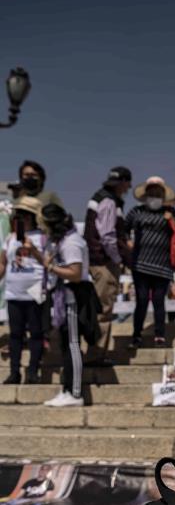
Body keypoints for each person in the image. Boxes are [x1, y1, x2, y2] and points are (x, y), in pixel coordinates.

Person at [34, 204, 94, 407]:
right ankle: (67, 389)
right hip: (61, 298)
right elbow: (50, 264)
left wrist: (52, 267)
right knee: (65, 344)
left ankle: (75, 393)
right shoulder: (58, 242)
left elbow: (75, 273)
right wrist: (36, 253)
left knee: (73, 344)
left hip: (73, 297)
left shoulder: (71, 243)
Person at [125, 176, 175, 349]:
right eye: (151, 193)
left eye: (157, 193)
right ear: (145, 194)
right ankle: (136, 335)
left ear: (163, 194)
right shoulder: (136, 212)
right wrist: (127, 243)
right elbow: (122, 228)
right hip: (140, 265)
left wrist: (172, 222)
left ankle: (160, 335)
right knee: (142, 300)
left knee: (159, 301)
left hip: (163, 266)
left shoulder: (172, 213)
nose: (154, 196)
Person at [84, 167, 133, 357]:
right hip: (103, 263)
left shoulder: (101, 198)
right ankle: (96, 354)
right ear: (124, 183)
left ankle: (96, 352)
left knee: (100, 309)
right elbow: (108, 237)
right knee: (103, 309)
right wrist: (118, 258)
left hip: (97, 260)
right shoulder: (109, 201)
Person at [0, 197, 45, 384]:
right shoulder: (10, 238)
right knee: (16, 334)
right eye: (19, 215)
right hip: (14, 292)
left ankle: (33, 370)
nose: (22, 219)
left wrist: (33, 249)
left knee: (36, 333)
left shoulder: (42, 237)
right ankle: (14, 371)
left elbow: (47, 261)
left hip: (34, 292)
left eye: (26, 215)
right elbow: (3, 262)